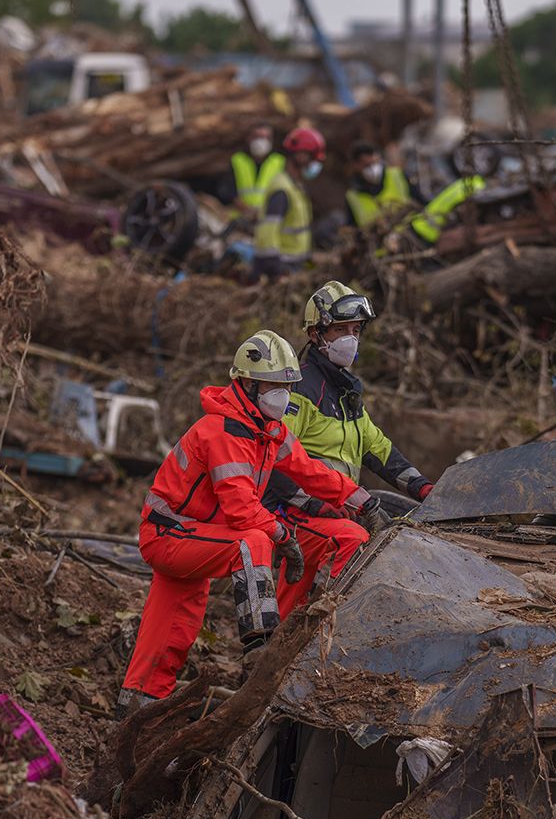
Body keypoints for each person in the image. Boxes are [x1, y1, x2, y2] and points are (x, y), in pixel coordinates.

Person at [118, 330, 381, 716]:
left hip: (193, 535)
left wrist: (363, 501)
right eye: (274, 386)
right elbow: (241, 509)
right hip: (170, 535)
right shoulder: (223, 432)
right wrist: (284, 537)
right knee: (252, 542)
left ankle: (135, 715)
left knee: (171, 634)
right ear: (247, 384)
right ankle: (260, 648)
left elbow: (311, 472)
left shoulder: (267, 431)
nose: (283, 395)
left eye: (286, 386)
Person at [265, 282, 432, 527]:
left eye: (355, 330)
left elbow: (376, 448)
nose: (350, 338)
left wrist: (423, 487)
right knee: (363, 540)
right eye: (340, 329)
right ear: (315, 334)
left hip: (345, 502)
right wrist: (315, 504)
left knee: (419, 520)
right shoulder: (300, 390)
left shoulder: (346, 390)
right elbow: (274, 458)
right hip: (300, 510)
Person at [251, 127, 323, 280]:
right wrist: (276, 270)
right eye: (313, 157)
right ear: (301, 155)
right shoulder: (282, 189)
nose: (314, 163)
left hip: (294, 266)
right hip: (282, 270)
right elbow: (267, 234)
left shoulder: (296, 187)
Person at [343, 142, 415, 231]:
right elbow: (354, 228)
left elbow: (421, 202)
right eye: (367, 165)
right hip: (381, 242)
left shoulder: (398, 175)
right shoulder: (352, 197)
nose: (373, 168)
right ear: (356, 166)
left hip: (411, 234)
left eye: (375, 163)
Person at [230, 125, 284, 215]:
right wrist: (247, 210)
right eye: (257, 137)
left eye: (266, 137)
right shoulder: (237, 160)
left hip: (269, 218)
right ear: (249, 138)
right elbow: (228, 191)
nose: (261, 141)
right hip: (241, 219)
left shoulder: (279, 162)